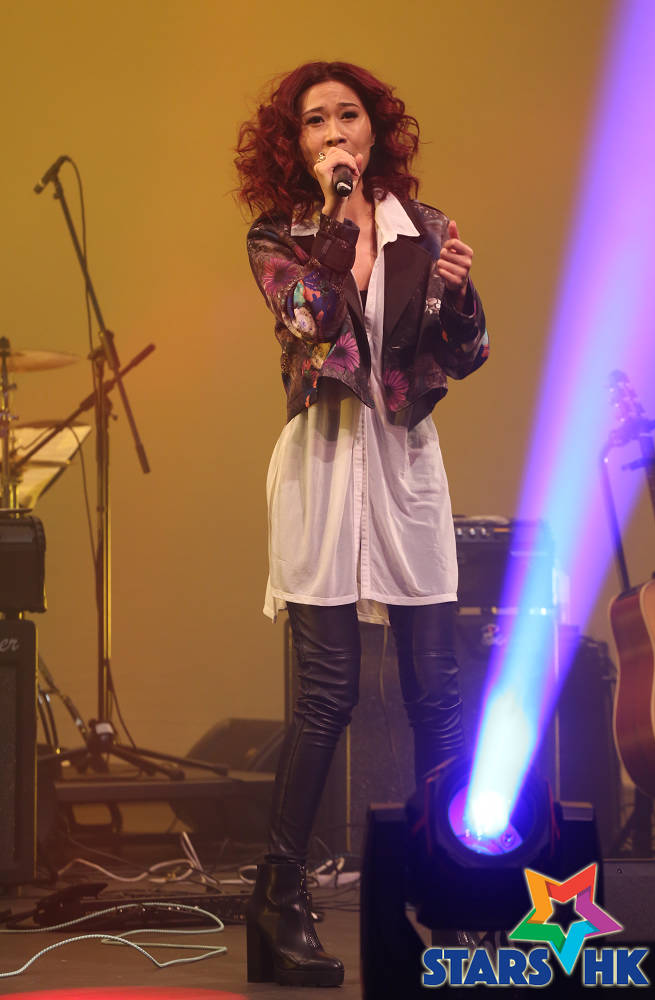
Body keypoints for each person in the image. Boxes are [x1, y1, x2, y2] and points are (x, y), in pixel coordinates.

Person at [235, 60, 488, 988]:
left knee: (437, 694)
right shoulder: (281, 236)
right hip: (324, 463)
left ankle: (455, 898)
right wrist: (340, 221)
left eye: (348, 116)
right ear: (296, 144)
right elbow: (310, 318)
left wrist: (459, 294)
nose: (334, 131)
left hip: (405, 468)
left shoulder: (428, 229)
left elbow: (465, 353)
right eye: (316, 121)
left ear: (376, 130)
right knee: (328, 696)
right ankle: (279, 901)